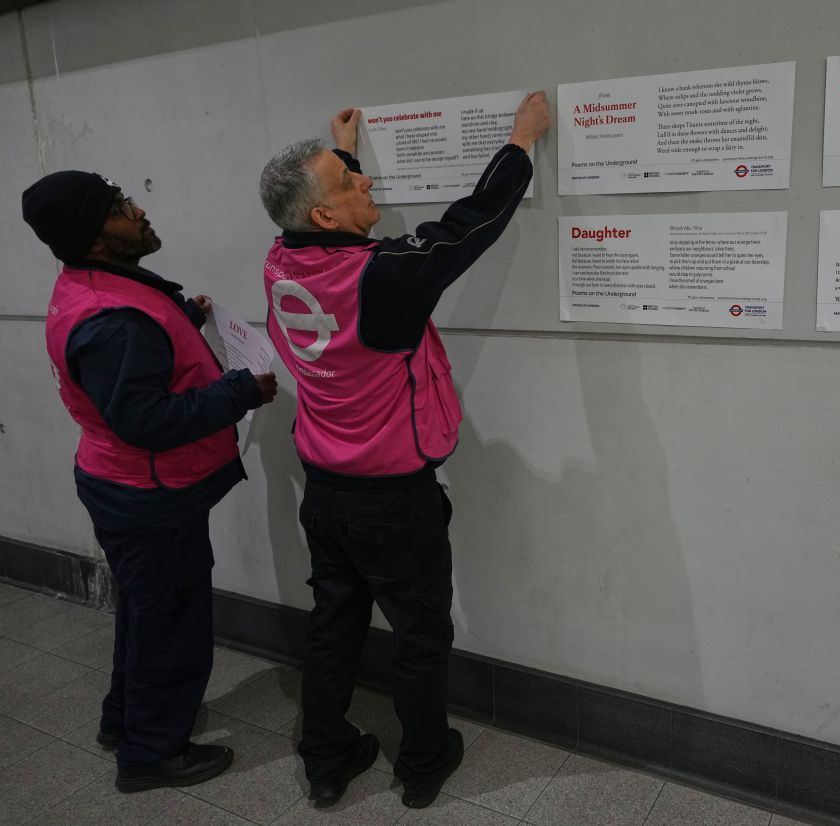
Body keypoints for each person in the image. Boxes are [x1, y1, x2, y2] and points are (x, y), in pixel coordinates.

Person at [257, 92, 549, 808]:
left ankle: (326, 760)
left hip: (325, 489)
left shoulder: (281, 260)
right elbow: (467, 226)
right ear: (325, 214)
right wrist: (521, 141)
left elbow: (329, 225)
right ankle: (422, 763)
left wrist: (343, 150)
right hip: (393, 499)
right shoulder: (380, 277)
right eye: (352, 182)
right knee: (421, 633)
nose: (369, 185)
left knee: (334, 623)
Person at [21, 171, 278, 792]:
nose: (138, 209)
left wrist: (186, 316)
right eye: (118, 208)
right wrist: (242, 390)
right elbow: (147, 421)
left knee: (145, 612)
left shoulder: (93, 286)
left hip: (125, 487)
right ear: (94, 238)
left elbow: (136, 357)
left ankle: (126, 721)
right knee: (171, 623)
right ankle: (151, 756)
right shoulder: (113, 322)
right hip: (149, 496)